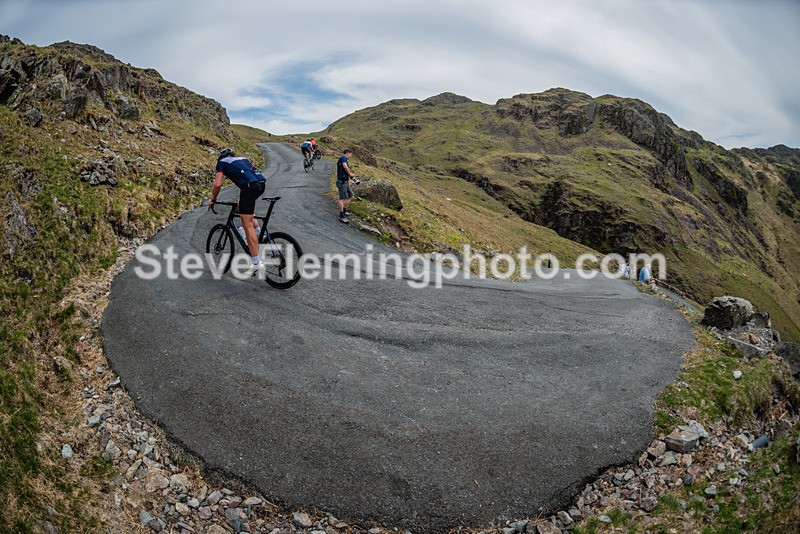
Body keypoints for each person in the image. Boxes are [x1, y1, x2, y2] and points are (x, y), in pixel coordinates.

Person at [208, 148, 266, 274]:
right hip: (261, 183)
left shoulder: (222, 162)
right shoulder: (242, 158)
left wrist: (213, 199)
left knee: (247, 224)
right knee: (244, 207)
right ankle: (259, 234)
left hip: (249, 187)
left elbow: (217, 184)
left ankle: (256, 262)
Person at [336, 149, 359, 223]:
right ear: (347, 153)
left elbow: (345, 169)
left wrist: (352, 175)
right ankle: (341, 216)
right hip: (342, 182)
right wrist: (350, 174)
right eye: (350, 154)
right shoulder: (343, 158)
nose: (351, 156)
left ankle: (344, 210)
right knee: (342, 198)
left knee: (351, 195)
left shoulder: (344, 159)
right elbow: (345, 167)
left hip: (345, 181)